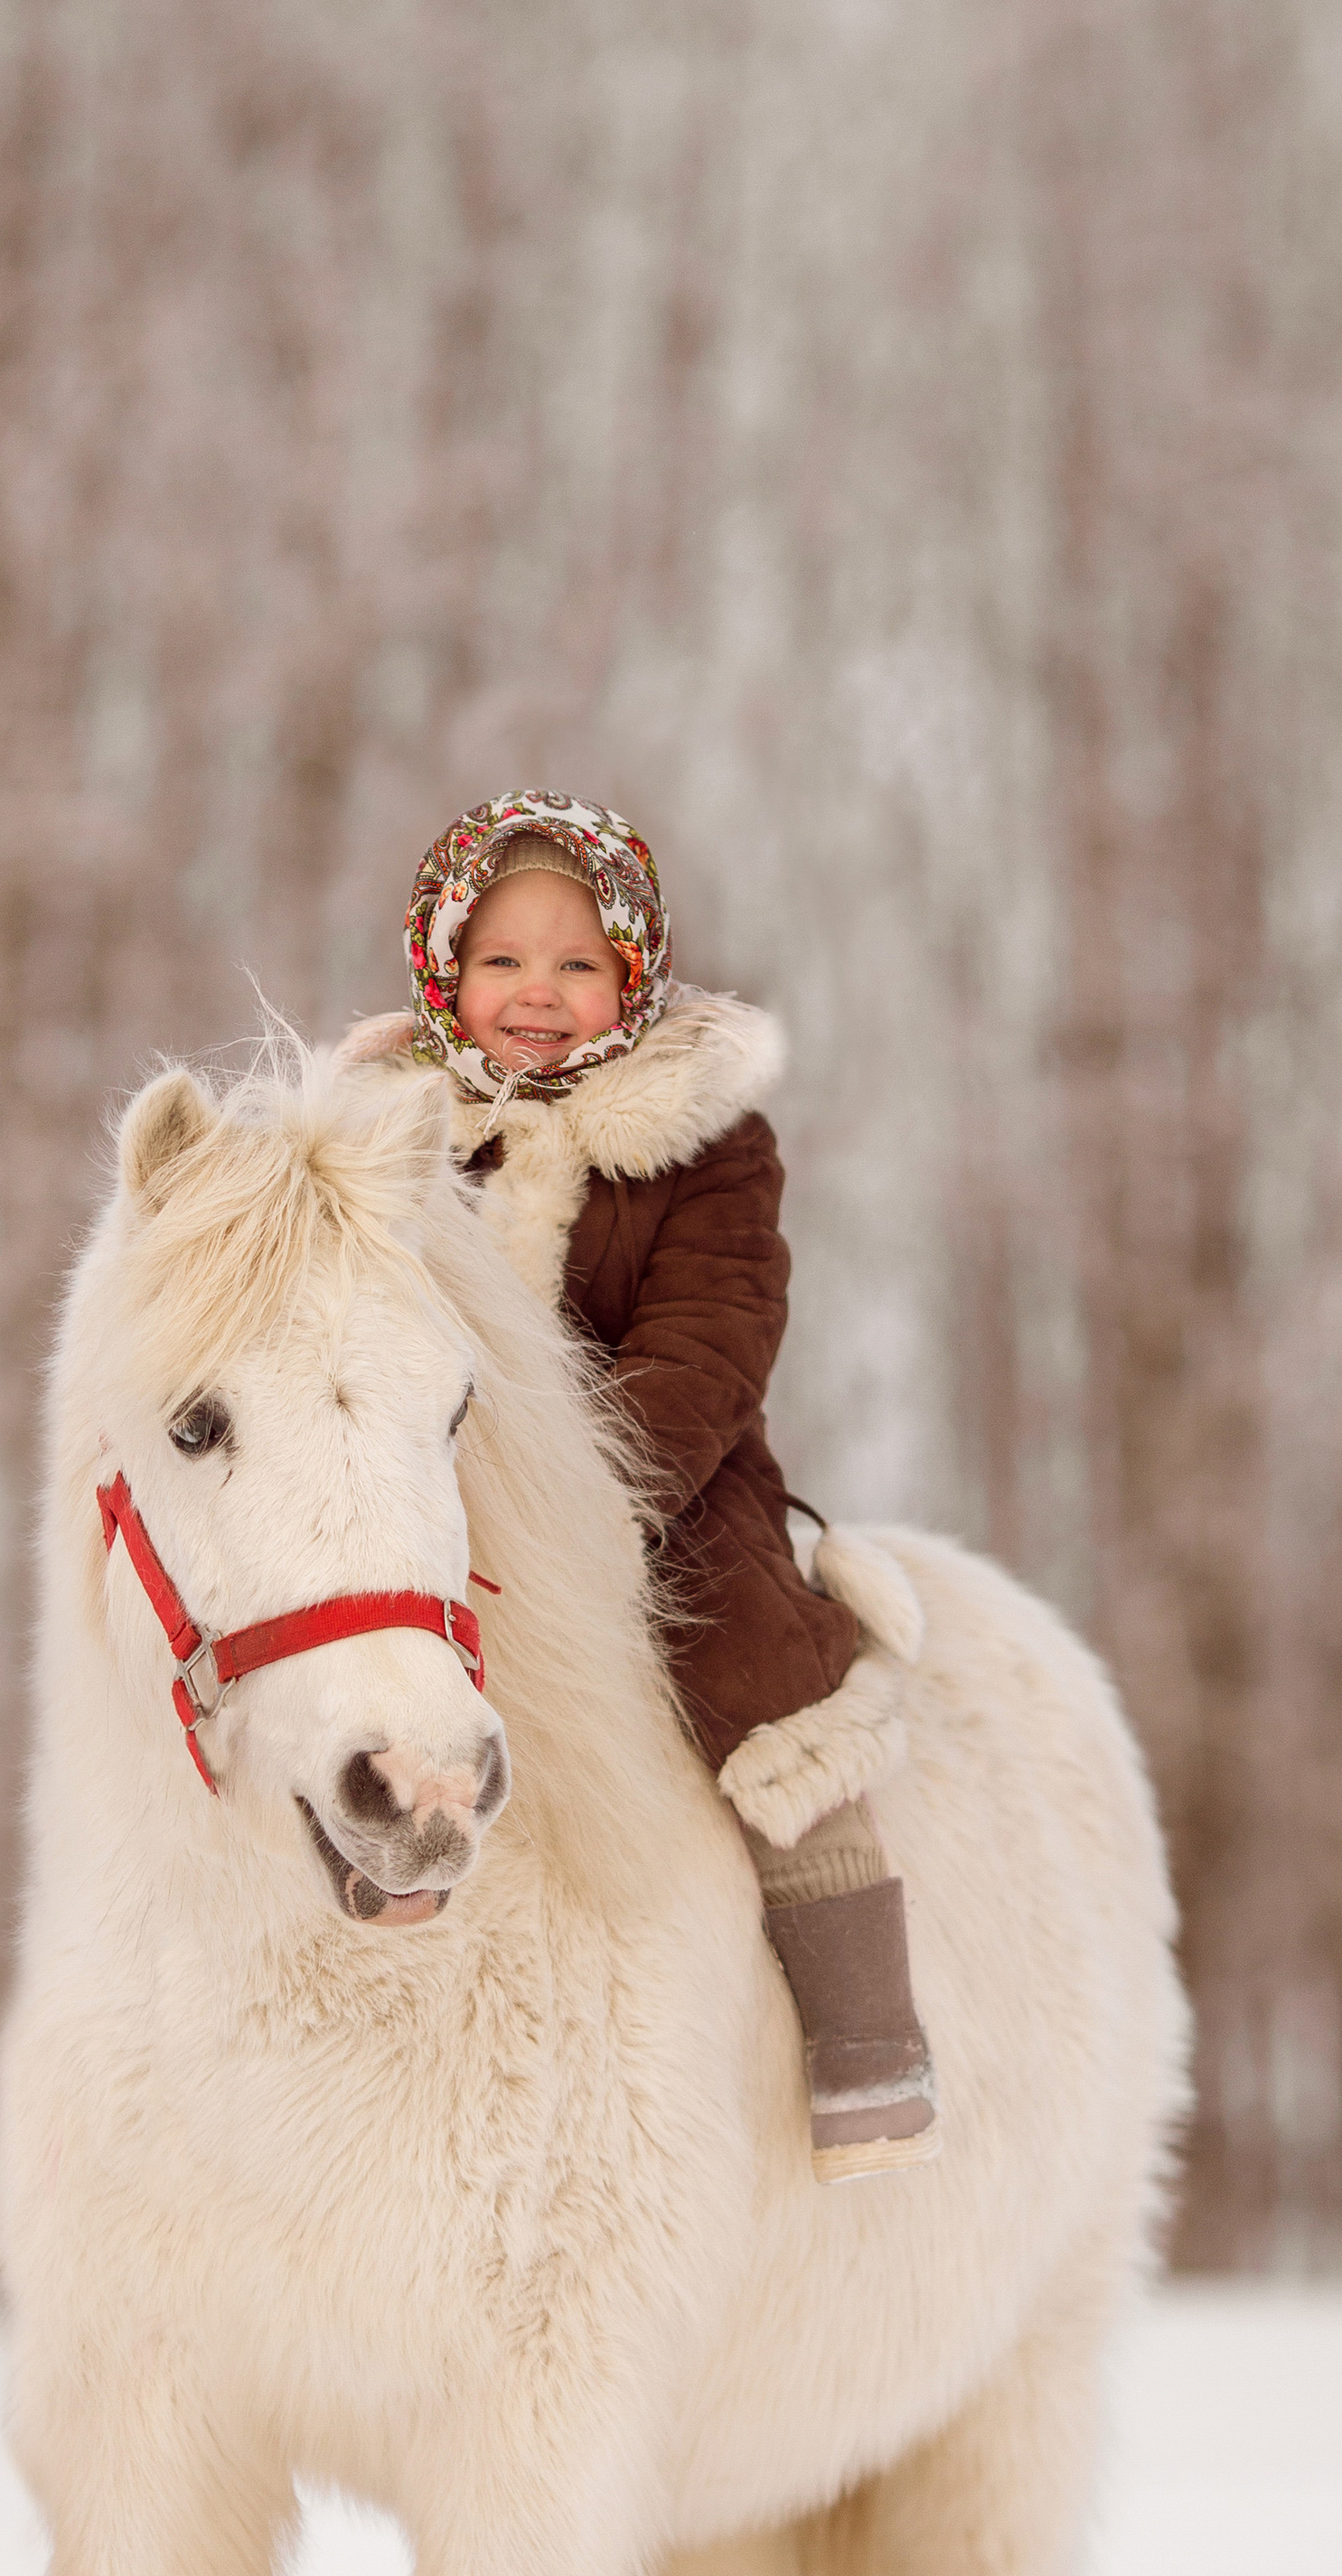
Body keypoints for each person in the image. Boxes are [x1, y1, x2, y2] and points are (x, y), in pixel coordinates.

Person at [339, 789, 938, 2183]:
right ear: (443, 971)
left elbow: (710, 1342)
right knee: (360, 1662)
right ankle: (370, 1909)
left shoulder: (702, 1144)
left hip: (664, 1491)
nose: (538, 995)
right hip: (434, 1481)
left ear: (635, 975)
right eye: (501, 961)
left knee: (763, 1687)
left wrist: (585, 1505)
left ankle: (864, 2031)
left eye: (577, 963)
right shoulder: (390, 1134)